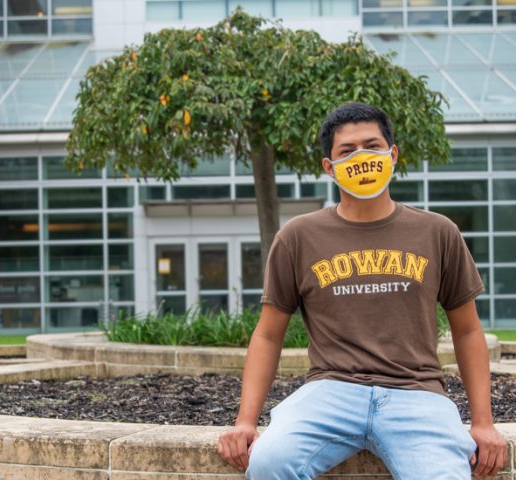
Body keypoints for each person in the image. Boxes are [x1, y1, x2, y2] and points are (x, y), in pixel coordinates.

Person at [217, 102, 507, 479]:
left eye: (372, 146)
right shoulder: (297, 237)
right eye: (347, 151)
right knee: (270, 463)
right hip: (329, 392)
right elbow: (269, 334)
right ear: (329, 167)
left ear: (392, 154)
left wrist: (483, 423)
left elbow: (467, 330)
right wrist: (245, 421)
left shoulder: (437, 232)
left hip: (417, 395)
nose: (362, 158)